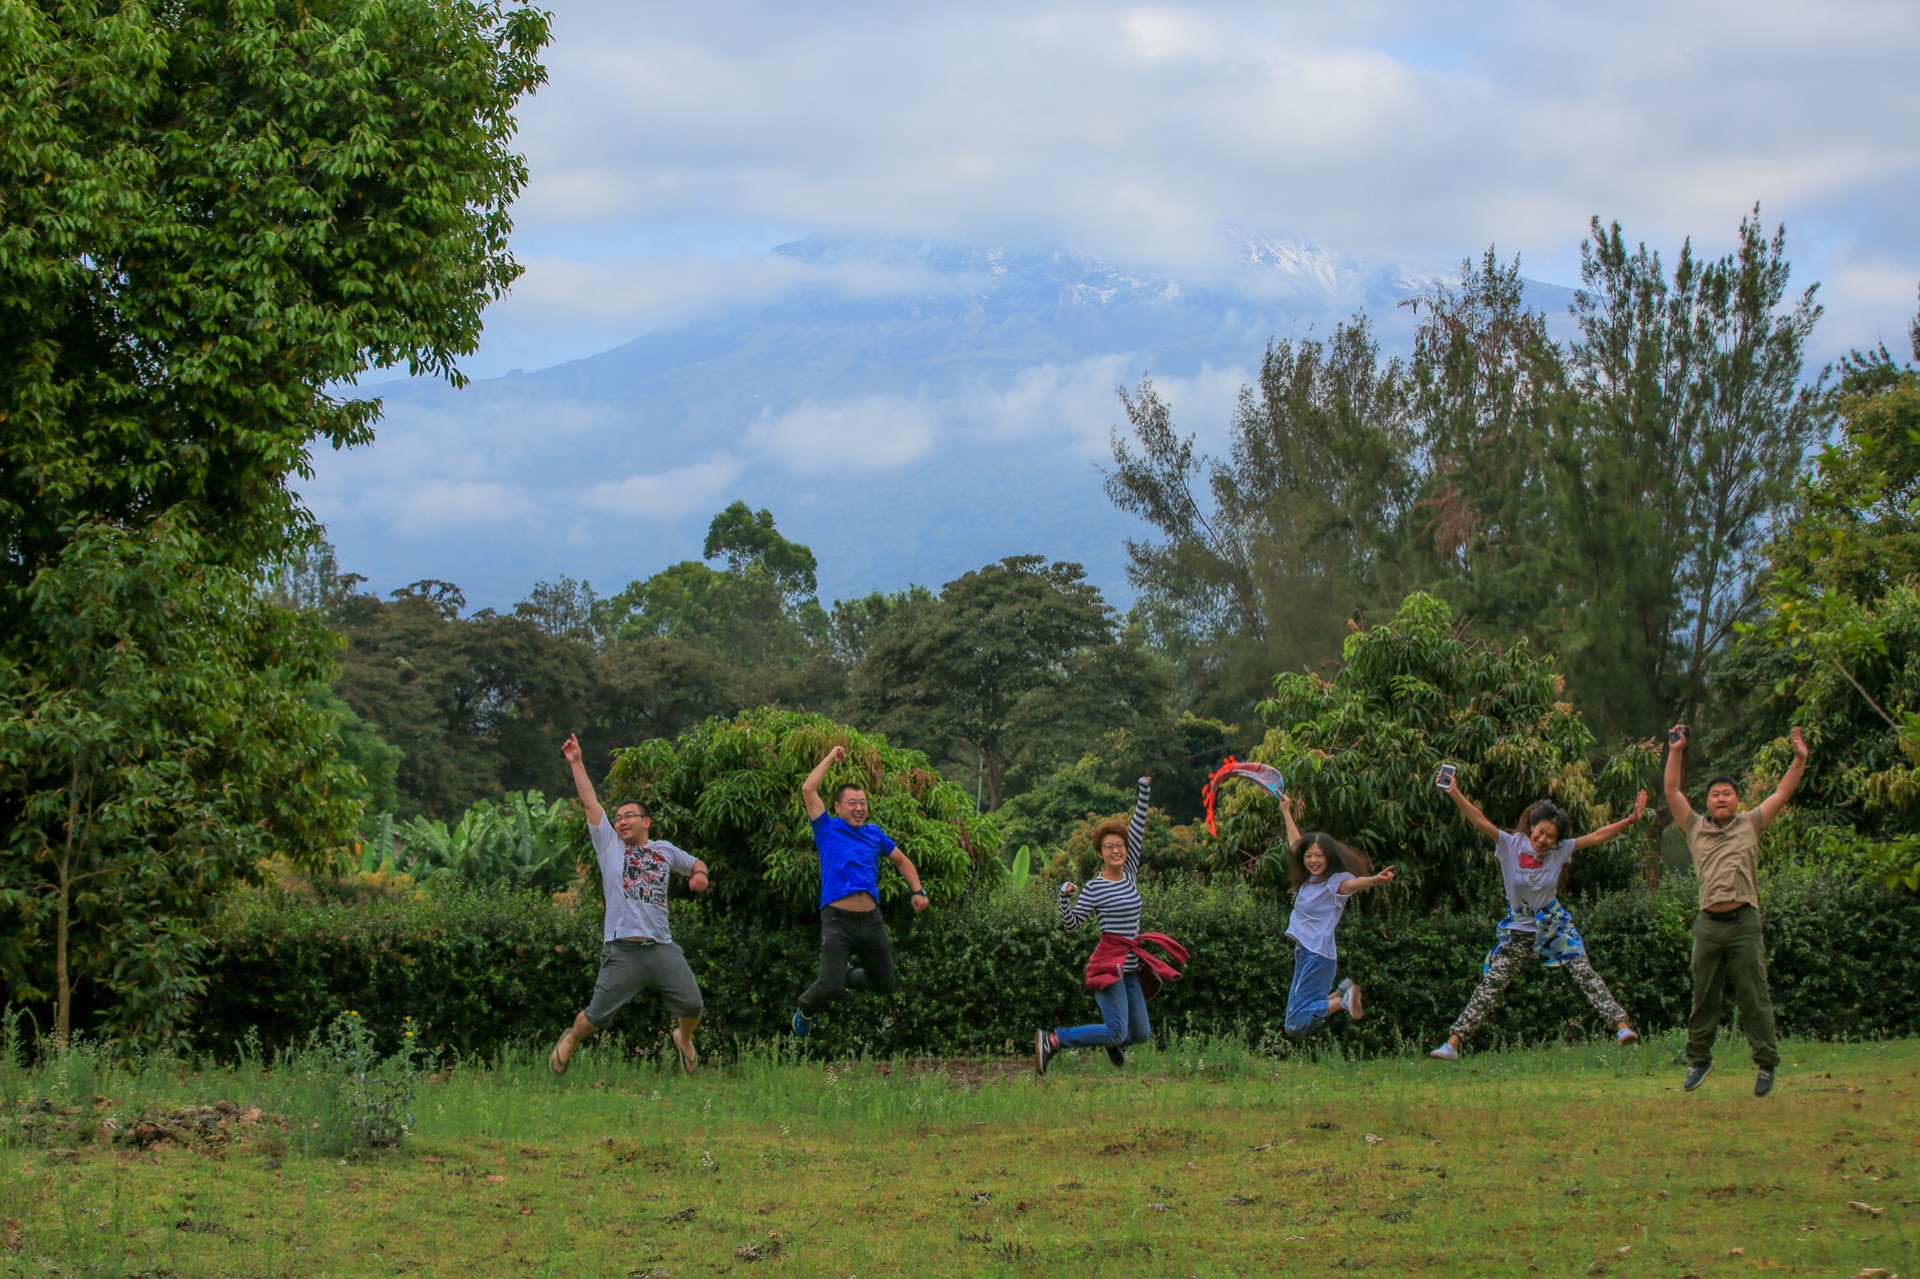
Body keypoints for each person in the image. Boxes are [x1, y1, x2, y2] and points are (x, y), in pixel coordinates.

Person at [1429, 777, 1647, 1062]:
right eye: (1541, 833)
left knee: (1584, 973)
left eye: (1551, 837)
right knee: (1492, 984)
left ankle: (1622, 1028)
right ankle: (1452, 1044)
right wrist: (1454, 791)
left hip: (1553, 925)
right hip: (1519, 928)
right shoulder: (1510, 844)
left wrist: (1630, 819)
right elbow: (1478, 819)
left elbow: (1596, 836)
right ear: (1532, 826)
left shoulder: (1560, 852)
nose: (1543, 840)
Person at [551, 734, 710, 1077]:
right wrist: (577, 762)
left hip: (661, 947)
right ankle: (571, 1040)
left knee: (693, 1004)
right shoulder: (609, 846)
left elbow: (696, 863)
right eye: (618, 817)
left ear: (646, 822)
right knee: (595, 1016)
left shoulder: (665, 850)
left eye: (629, 816)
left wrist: (700, 876)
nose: (621, 821)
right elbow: (591, 802)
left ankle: (682, 1038)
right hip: (622, 950)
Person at [1665, 724, 1808, 1097]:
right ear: (1708, 801)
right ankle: (1699, 1060)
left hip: (1744, 921)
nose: (1721, 798)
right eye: (1715, 794)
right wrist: (1677, 750)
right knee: (1703, 996)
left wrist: (1799, 759)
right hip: (1708, 923)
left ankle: (1766, 1063)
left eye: (1727, 793)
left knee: (1753, 995)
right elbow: (1672, 791)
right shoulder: (1694, 827)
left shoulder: (1751, 823)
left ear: (1738, 800)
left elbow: (1781, 792)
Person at [1035, 777, 1188, 1075]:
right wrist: (1063, 899)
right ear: (1100, 854)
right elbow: (1072, 925)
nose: (1116, 851)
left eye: (1119, 846)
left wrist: (1144, 791)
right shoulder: (1094, 887)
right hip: (1108, 963)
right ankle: (1053, 1040)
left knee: (1140, 1034)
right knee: (1117, 1030)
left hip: (1131, 964)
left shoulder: (1130, 874)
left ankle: (1108, 1041)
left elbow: (1138, 827)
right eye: (1109, 848)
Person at [790, 744, 929, 1038]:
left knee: (885, 984)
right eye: (852, 803)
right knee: (830, 986)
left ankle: (849, 973)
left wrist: (918, 891)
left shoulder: (873, 834)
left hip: (871, 921)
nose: (859, 808)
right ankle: (806, 1008)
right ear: (838, 807)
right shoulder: (826, 829)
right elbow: (808, 789)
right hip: (838, 921)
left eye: (863, 802)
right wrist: (830, 756)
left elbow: (902, 861)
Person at [1276, 795, 1396, 1040]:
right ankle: (1343, 993)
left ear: (1329, 857)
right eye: (1309, 856)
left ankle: (1342, 999)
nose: (1313, 860)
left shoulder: (1335, 883)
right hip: (1305, 954)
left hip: (1317, 956)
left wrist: (1374, 880)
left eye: (1319, 855)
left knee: (1295, 1024)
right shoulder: (1310, 880)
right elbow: (1295, 844)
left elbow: (1353, 884)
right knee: (1293, 1019)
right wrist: (1286, 811)